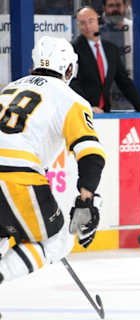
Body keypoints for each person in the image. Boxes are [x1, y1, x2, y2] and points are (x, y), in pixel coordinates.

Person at [0, 36, 105, 283]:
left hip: (13, 169)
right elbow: (92, 154)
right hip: (17, 174)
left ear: (33, 64)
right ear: (69, 68)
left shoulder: (8, 89)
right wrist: (86, 200)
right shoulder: (70, 99)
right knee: (58, 240)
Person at [71, 6, 140, 114]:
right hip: (81, 113)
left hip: (104, 112)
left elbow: (123, 81)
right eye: (82, 23)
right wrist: (87, 107)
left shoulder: (111, 49)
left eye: (91, 21)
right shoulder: (72, 48)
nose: (87, 26)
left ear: (98, 20)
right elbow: (72, 82)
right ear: (78, 25)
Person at [100, 0, 135, 111]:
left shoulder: (135, 29)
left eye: (119, 5)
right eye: (111, 6)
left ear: (125, 7)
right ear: (104, 8)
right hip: (106, 97)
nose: (115, 9)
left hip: (132, 93)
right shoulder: (97, 33)